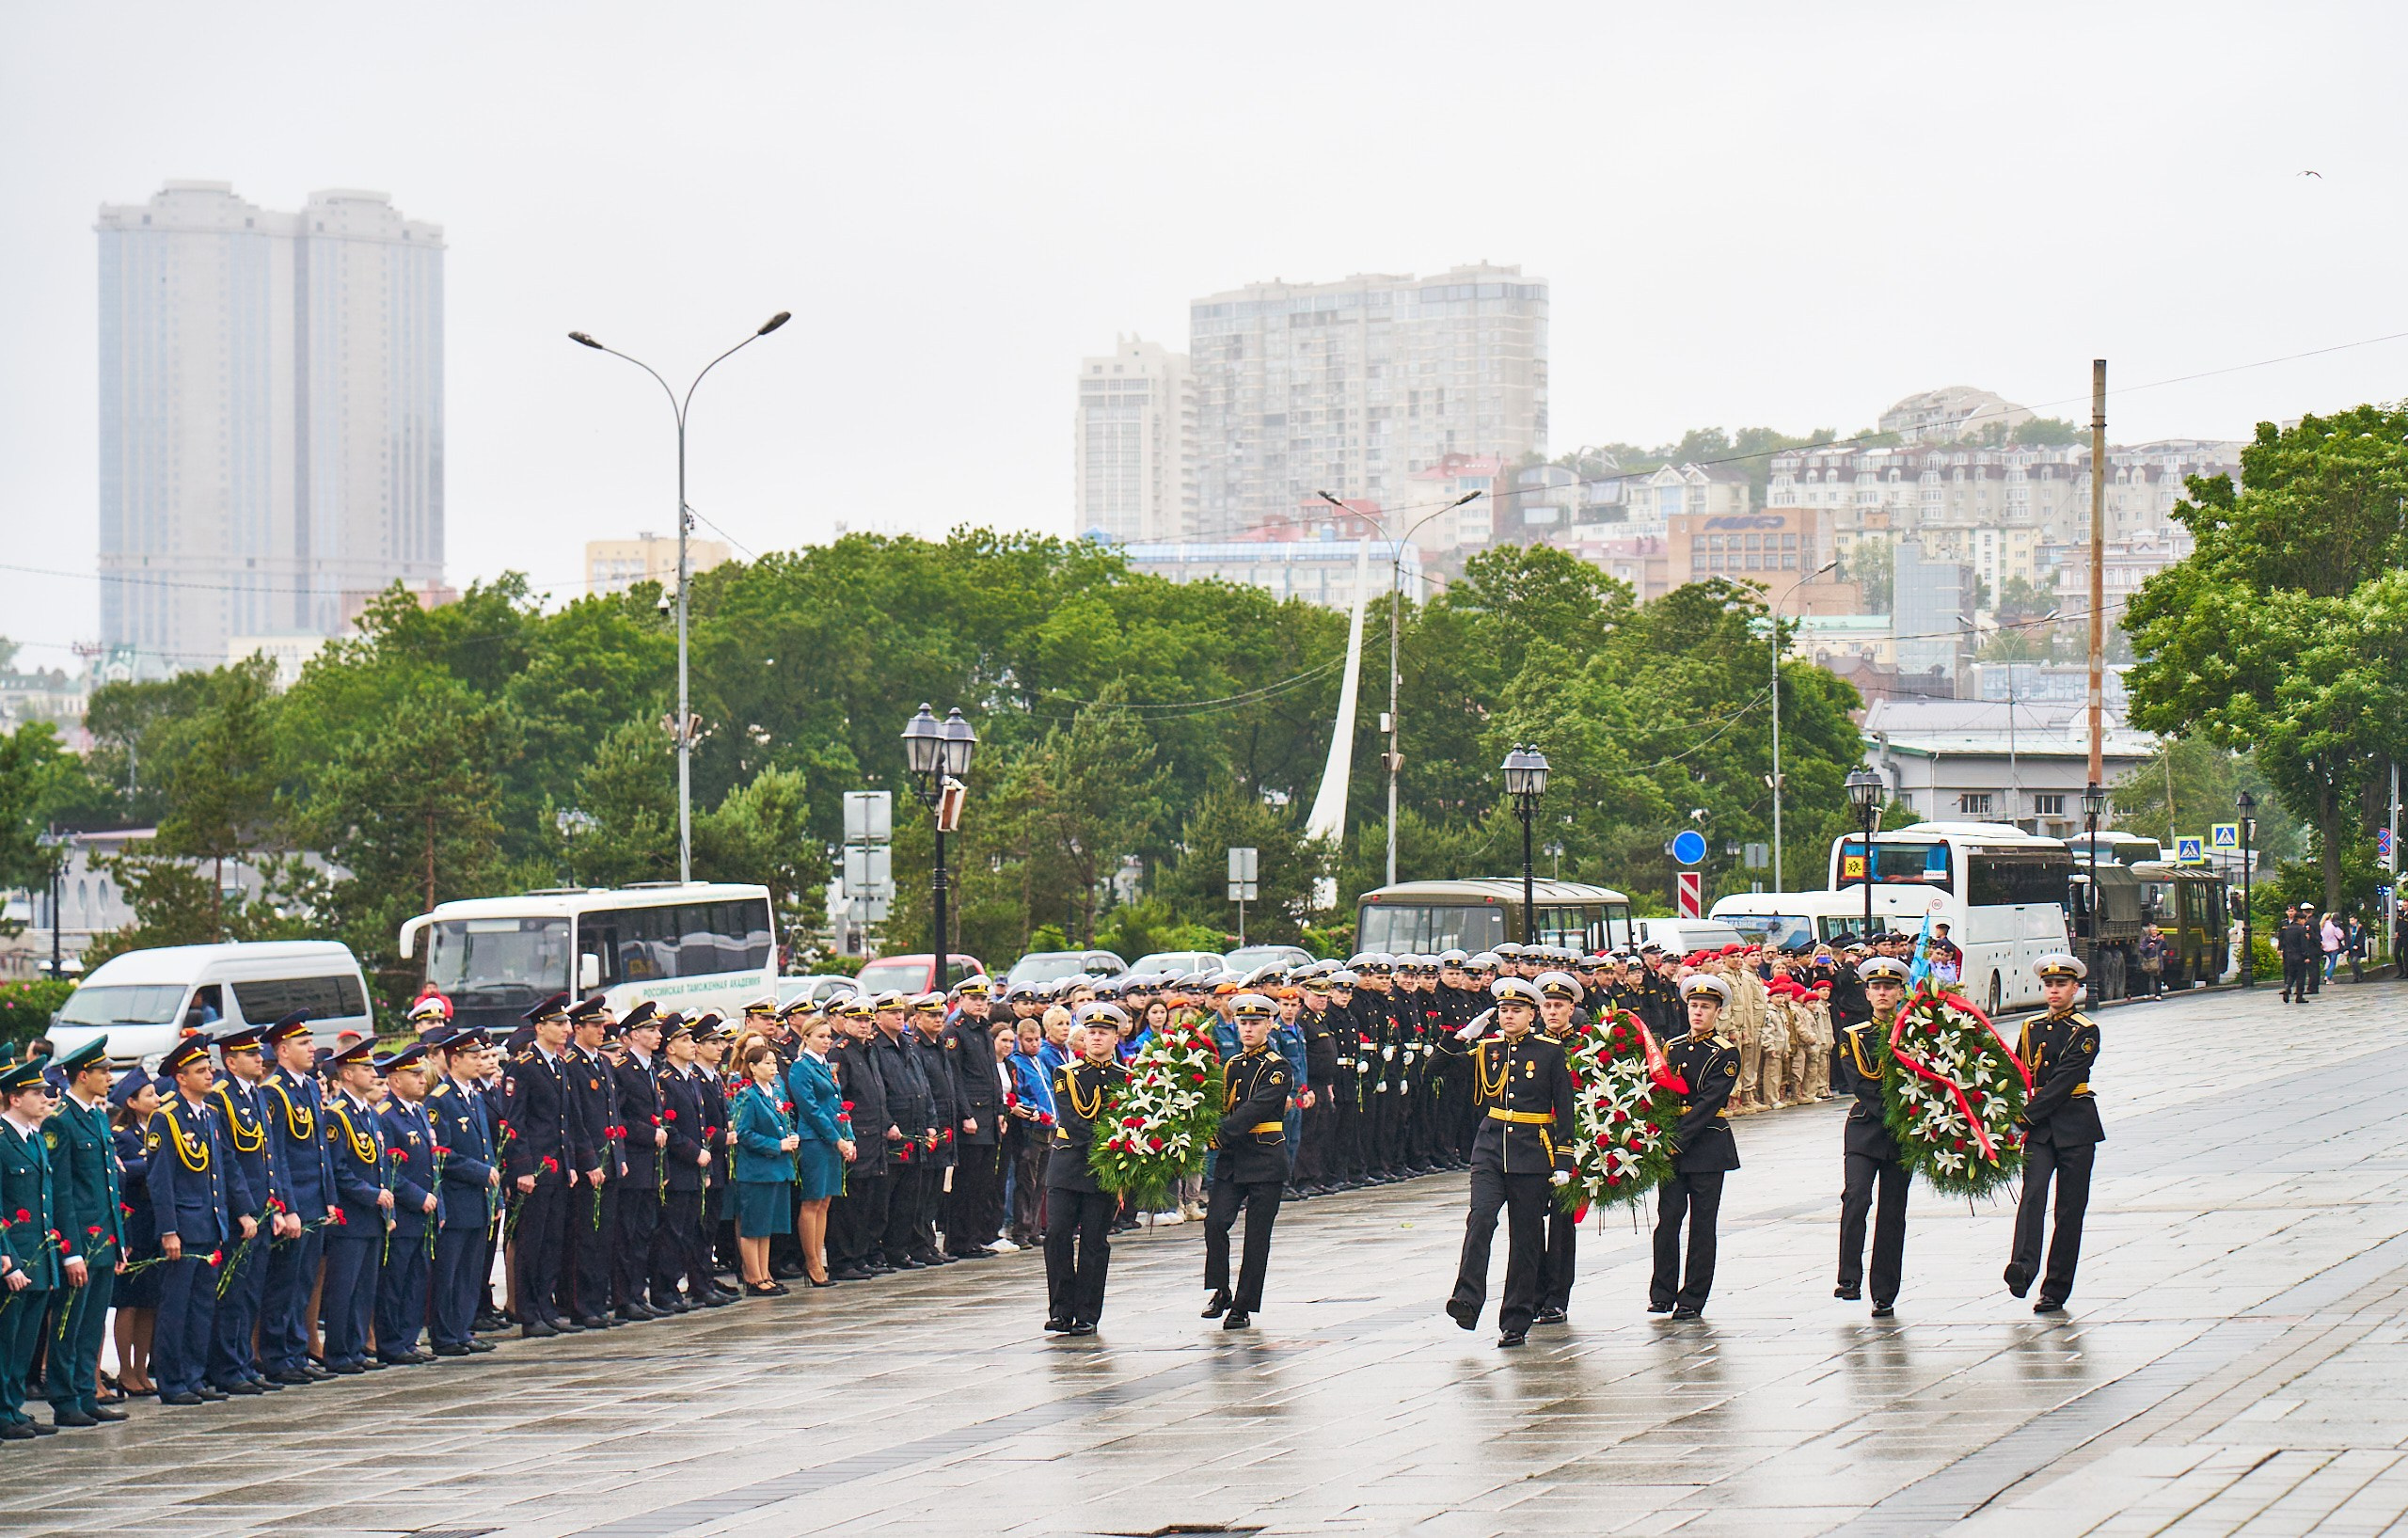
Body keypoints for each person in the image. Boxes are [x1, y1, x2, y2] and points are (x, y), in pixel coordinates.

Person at [1438, 976, 1576, 1348]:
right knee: (1481, 1218)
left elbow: (1565, 1109)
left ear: (1532, 1014)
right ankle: (1466, 1298)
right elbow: (1437, 1070)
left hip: (1532, 1151)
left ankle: (1516, 1318)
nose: (1508, 1016)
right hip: (1489, 1147)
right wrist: (1461, 1037)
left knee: (1526, 1238)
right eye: (1503, 1010)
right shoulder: (1488, 1049)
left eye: (1516, 1010)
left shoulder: (1549, 1051)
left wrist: (1564, 1158)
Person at [146, 1035, 257, 1406]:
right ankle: (172, 1380)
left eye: (209, 1069)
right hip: (184, 1227)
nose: (209, 1075)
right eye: (200, 1071)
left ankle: (193, 1375)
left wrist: (242, 1209)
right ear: (181, 1078)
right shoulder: (167, 1118)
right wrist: (168, 1230)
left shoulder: (209, 1114)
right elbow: (159, 1180)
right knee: (176, 1307)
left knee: (202, 1306)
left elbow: (227, 1165)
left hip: (211, 1224)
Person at [2009, 954, 2105, 1315]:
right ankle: (2023, 1266)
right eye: (2049, 984)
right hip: (2040, 1130)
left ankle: (2055, 1289)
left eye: (2061, 984)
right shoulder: (2030, 1028)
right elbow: (2019, 1074)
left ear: (2075, 989)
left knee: (2069, 1210)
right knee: (2032, 1196)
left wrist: (2023, 1119)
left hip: (2075, 1127)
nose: (2054, 990)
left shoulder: (2085, 1031)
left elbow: (2063, 1083)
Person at [43, 1039, 127, 1426]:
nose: (110, 1078)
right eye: (103, 1072)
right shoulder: (60, 1120)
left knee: (93, 1323)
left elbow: (107, 1186)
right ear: (83, 1075)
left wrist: (119, 1242)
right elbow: (61, 1191)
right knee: (69, 1322)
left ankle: (85, 1391)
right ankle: (65, 1397)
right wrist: (71, 1250)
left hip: (104, 1239)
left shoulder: (95, 1116)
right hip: (80, 1239)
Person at [1201, 993, 1294, 1331]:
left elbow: (1256, 1108)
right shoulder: (1232, 1065)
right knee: (1215, 1223)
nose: (1249, 1029)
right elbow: (1223, 1104)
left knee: (1257, 1237)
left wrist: (1220, 1134)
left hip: (1265, 1157)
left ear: (1269, 1025)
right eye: (1243, 1023)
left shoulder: (1277, 1066)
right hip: (1232, 1160)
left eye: (1256, 1023)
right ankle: (1221, 1289)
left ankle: (1243, 1304)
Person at [1651, 974, 1741, 1320]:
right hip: (1673, 1143)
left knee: (1702, 1224)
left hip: (1706, 1145)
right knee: (1668, 1219)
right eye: (1693, 1005)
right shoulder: (1672, 1047)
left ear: (1717, 1011)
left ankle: (1693, 1296)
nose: (1698, 1012)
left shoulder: (1725, 1052)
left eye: (1705, 1007)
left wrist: (1677, 1138)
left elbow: (1708, 1102)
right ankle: (1662, 1291)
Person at [203, 1024, 285, 1397]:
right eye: (252, 1054)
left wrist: (278, 1205)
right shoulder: (222, 1098)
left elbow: (271, 1158)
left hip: (264, 1210)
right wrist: (243, 1210)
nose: (260, 1059)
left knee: (251, 1292)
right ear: (231, 1061)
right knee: (233, 1294)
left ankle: (242, 1362)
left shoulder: (256, 1097)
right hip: (243, 1213)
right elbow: (228, 1161)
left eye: (259, 1053)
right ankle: (227, 1366)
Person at [258, 1010, 340, 1386]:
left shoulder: (307, 1086)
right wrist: (287, 1207)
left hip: (314, 1199)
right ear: (284, 1050)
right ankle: (278, 1356)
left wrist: (329, 1199)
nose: (311, 1049)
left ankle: (297, 1350)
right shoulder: (273, 1092)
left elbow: (320, 1149)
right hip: (294, 1202)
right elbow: (277, 1155)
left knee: (304, 1283)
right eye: (304, 1044)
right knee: (285, 1284)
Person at [1043, 1004, 1131, 1337]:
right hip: (1068, 1163)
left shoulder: (1125, 1078)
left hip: (1104, 1170)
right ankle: (1061, 1309)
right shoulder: (1066, 1073)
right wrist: (1108, 1146)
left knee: (1095, 1241)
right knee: (1058, 1235)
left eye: (1103, 1032)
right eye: (1092, 1032)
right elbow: (1073, 1122)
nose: (1096, 1037)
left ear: (1115, 1037)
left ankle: (1087, 1312)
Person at [1835, 957, 1911, 1318]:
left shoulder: (1915, 1031)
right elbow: (1863, 1085)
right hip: (1867, 1128)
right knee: (1856, 1197)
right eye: (1876, 988)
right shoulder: (1853, 1035)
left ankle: (1884, 1291)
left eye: (1889, 988)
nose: (1883, 993)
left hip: (1903, 1135)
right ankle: (1849, 1278)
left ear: (1899, 992)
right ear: (1866, 993)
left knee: (1893, 1212)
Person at [424, 1026, 502, 1356]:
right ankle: (445, 1333)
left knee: (471, 1270)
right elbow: (442, 1153)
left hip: (479, 1199)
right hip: (457, 1197)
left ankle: (462, 1328)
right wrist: (481, 1173)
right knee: (450, 1270)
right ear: (454, 1060)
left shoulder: (473, 1096)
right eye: (473, 1056)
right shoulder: (440, 1100)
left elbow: (486, 1148)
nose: (479, 1061)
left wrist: (494, 1194)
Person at [505, 993, 578, 1336]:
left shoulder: (559, 1065)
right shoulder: (523, 1066)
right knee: (532, 1242)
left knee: (552, 1240)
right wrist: (522, 1167)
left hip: (558, 1165)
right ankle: (528, 1312)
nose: (567, 1029)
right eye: (559, 1023)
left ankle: (546, 1307)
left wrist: (573, 1162)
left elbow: (566, 1120)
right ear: (540, 1027)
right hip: (535, 1168)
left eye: (566, 1023)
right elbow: (515, 1122)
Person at [320, 1038, 393, 1375]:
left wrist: (385, 1209)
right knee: (344, 1288)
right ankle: (339, 1351)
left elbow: (380, 1166)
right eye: (366, 1068)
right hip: (351, 1216)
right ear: (347, 1074)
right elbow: (339, 1170)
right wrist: (370, 1194)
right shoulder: (337, 1115)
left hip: (372, 1216)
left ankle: (355, 1346)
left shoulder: (368, 1114)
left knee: (364, 1288)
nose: (372, 1073)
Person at [0, 1054, 61, 1437]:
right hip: (15, 1257)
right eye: (35, 1093)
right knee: (7, 1340)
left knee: (25, 1341)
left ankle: (14, 1405)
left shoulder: (34, 1137)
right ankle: (3, 1412)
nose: (44, 1098)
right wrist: (7, 1258)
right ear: (14, 1098)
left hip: (39, 1254)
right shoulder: (3, 1140)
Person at [373, 1043, 441, 1364]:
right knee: (396, 1280)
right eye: (413, 1075)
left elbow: (429, 1164)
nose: (421, 1080)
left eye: (421, 1074)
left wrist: (436, 1202)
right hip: (405, 1210)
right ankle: (392, 1341)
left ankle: (409, 1338)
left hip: (425, 1211)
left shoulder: (418, 1113)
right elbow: (388, 1170)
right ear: (395, 1081)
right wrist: (418, 1197)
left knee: (417, 1278)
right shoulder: (387, 1116)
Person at [1532, 970, 1587, 1325]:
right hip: (1534, 1140)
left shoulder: (1586, 1046)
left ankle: (1557, 1296)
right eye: (1546, 1006)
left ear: (1571, 1009)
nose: (1552, 1011)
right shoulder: (1530, 1044)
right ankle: (1535, 1292)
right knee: (1530, 1220)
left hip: (1570, 1141)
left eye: (1559, 1005)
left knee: (1564, 1224)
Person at [610, 1002, 668, 1321]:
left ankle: (638, 1293)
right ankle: (625, 1297)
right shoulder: (624, 1070)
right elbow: (619, 1119)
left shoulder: (650, 1068)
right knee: (628, 1232)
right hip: (634, 1159)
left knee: (645, 1230)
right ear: (632, 1036)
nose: (657, 1035)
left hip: (652, 1164)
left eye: (657, 1029)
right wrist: (648, 1133)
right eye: (650, 1030)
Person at [784, 1015, 854, 1287]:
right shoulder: (802, 1067)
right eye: (821, 1037)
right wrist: (836, 1139)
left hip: (833, 1137)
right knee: (812, 1200)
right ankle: (811, 1261)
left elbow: (838, 1105)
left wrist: (848, 1137)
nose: (827, 1041)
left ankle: (817, 1257)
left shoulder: (825, 1065)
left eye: (828, 1037)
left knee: (825, 1201)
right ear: (807, 1038)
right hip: (815, 1139)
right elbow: (810, 1108)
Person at [107, 1070, 163, 1399]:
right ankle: (126, 1371)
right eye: (150, 1095)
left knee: (149, 1302)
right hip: (134, 1221)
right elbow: (123, 1172)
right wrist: (157, 1163)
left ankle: (141, 1370)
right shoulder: (123, 1135)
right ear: (132, 1102)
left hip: (154, 1221)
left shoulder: (156, 1132)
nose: (156, 1101)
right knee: (128, 1301)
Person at [730, 1040, 800, 1296]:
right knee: (753, 1226)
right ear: (752, 1067)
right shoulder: (747, 1096)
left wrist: (791, 1136)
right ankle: (753, 1277)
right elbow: (744, 1133)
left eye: (774, 1063)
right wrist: (776, 1144)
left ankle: (765, 1273)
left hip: (777, 1168)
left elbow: (785, 1120)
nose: (773, 1068)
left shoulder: (776, 1093)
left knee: (767, 1226)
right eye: (767, 1063)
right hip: (757, 1169)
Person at [943, 975, 1006, 1258]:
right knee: (966, 1184)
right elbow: (955, 1078)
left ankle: (974, 1238)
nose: (980, 1004)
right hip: (972, 1118)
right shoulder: (955, 1032)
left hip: (989, 1117)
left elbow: (991, 1074)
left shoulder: (982, 1029)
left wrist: (1000, 1111)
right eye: (974, 999)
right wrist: (965, 1114)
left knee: (982, 1183)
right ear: (961, 1000)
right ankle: (958, 1241)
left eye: (984, 999)